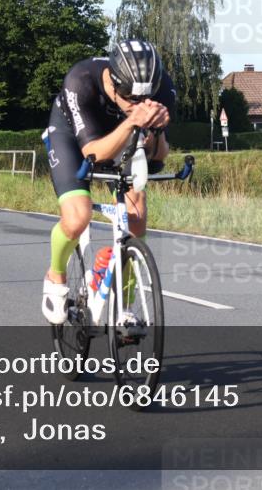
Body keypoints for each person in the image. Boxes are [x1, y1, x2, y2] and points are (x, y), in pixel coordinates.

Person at [41, 40, 176, 325]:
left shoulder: (163, 88)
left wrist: (159, 131)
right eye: (130, 100)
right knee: (78, 216)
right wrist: (132, 122)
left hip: (122, 135)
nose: (137, 106)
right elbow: (94, 153)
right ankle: (55, 274)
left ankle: (124, 307)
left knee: (136, 220)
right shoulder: (81, 80)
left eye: (144, 100)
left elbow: (159, 156)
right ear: (114, 86)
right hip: (72, 134)